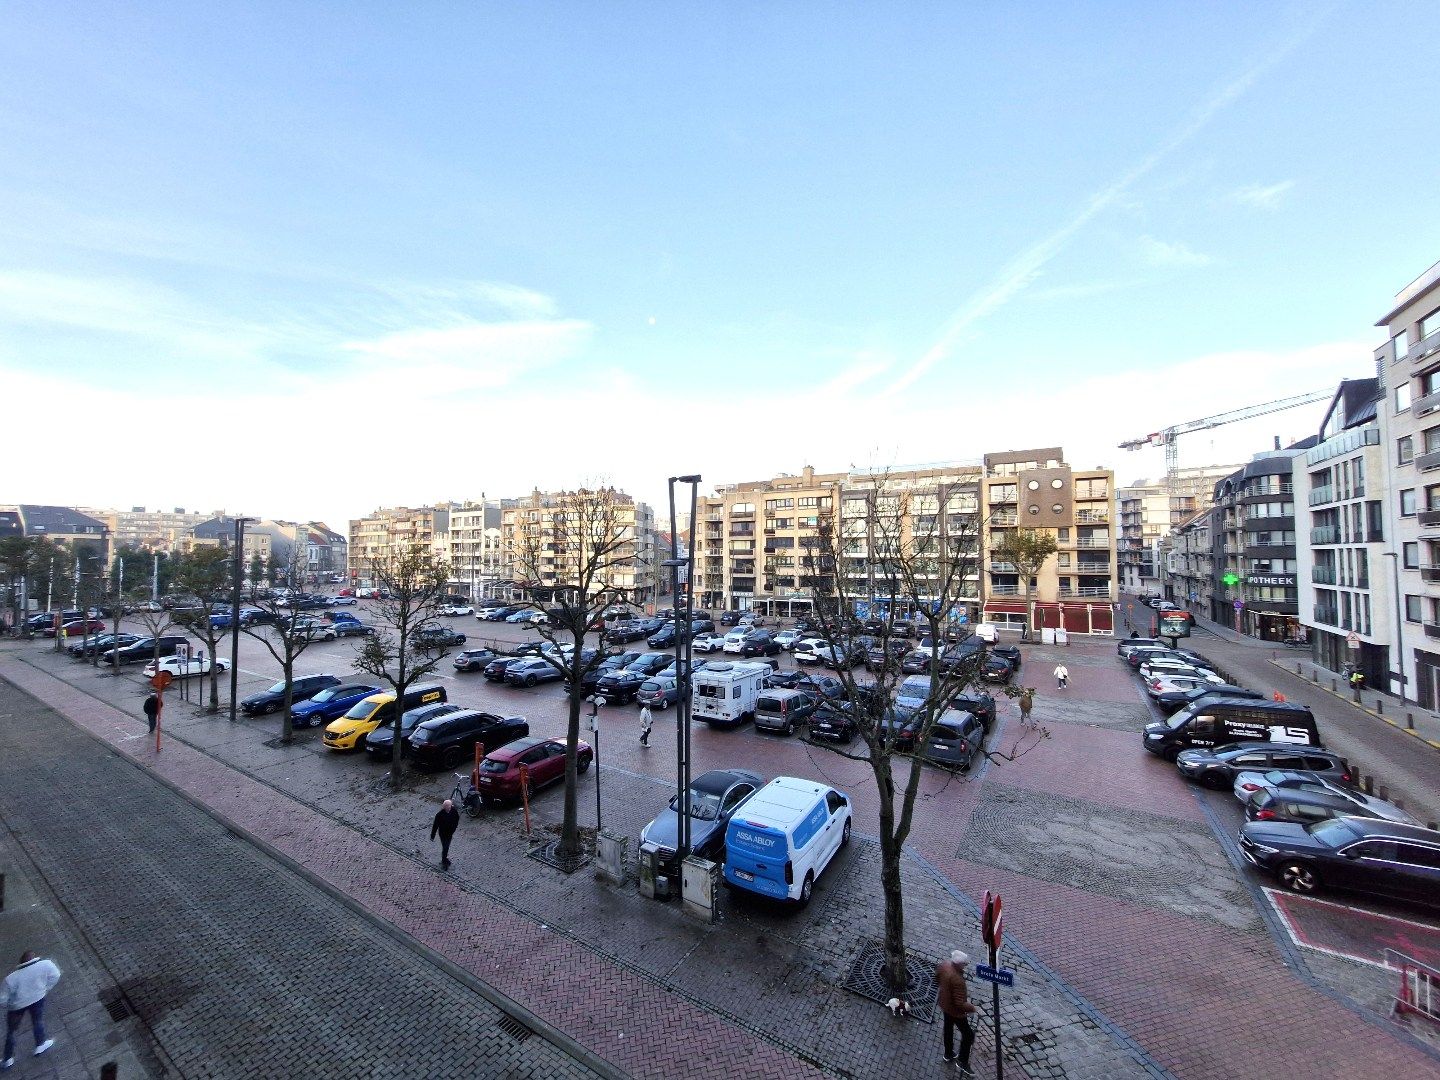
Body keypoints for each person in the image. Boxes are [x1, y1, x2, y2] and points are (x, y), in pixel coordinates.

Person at [3, 950, 61, 1068]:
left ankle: (7, 1059)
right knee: (37, 1021)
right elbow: (56, 975)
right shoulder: (46, 964)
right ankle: (40, 1043)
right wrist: (46, 988)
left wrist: (10, 1004)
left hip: (17, 1006)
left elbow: (2, 999)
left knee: (12, 1031)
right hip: (38, 999)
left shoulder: (11, 978)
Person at [935, 949, 977, 1074]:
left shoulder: (944, 966)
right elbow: (960, 1004)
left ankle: (948, 1053)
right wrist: (973, 1008)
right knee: (968, 1035)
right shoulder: (957, 980)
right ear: (959, 964)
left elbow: (937, 977)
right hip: (955, 1011)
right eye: (965, 964)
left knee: (948, 1028)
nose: (966, 966)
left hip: (945, 1004)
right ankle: (962, 1062)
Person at [430, 799, 460, 870]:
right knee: (445, 847)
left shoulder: (453, 811)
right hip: (443, 834)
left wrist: (454, 828)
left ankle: (444, 859)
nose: (451, 806)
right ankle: (444, 861)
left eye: (450, 805)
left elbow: (457, 819)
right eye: (449, 806)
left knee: (446, 847)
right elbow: (435, 826)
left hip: (450, 833)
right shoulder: (439, 815)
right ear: (445, 807)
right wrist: (432, 836)